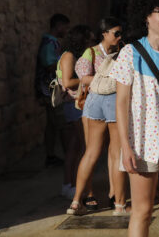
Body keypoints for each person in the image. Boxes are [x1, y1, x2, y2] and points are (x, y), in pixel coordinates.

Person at [109, 0, 159, 237]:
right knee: (143, 211)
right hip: (143, 135)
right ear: (146, 17)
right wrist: (125, 147)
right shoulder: (131, 53)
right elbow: (121, 104)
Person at [67, 17, 127, 216]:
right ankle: (115, 203)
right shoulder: (91, 52)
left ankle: (91, 199)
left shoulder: (121, 50)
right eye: (116, 33)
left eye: (120, 33)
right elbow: (82, 77)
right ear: (104, 34)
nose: (119, 37)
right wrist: (109, 77)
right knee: (105, 152)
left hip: (96, 103)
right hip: (105, 101)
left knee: (102, 152)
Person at [56, 24, 94, 203]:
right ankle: (78, 187)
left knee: (75, 147)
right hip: (74, 105)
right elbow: (68, 81)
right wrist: (89, 78)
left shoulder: (72, 55)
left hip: (75, 104)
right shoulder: (69, 56)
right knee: (85, 147)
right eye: (88, 39)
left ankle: (68, 184)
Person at [35, 13, 70, 169]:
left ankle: (51, 156)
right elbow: (50, 65)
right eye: (65, 26)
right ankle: (68, 155)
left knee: (52, 123)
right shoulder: (50, 43)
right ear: (58, 25)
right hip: (51, 89)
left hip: (48, 88)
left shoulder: (50, 42)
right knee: (60, 123)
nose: (66, 30)